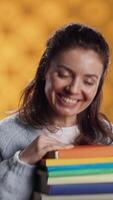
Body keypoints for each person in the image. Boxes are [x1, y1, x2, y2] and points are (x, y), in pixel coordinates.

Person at [0, 23, 113, 200]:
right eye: (63, 74)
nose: (74, 89)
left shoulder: (108, 137)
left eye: (89, 81)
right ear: (45, 70)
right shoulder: (5, 135)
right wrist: (23, 160)